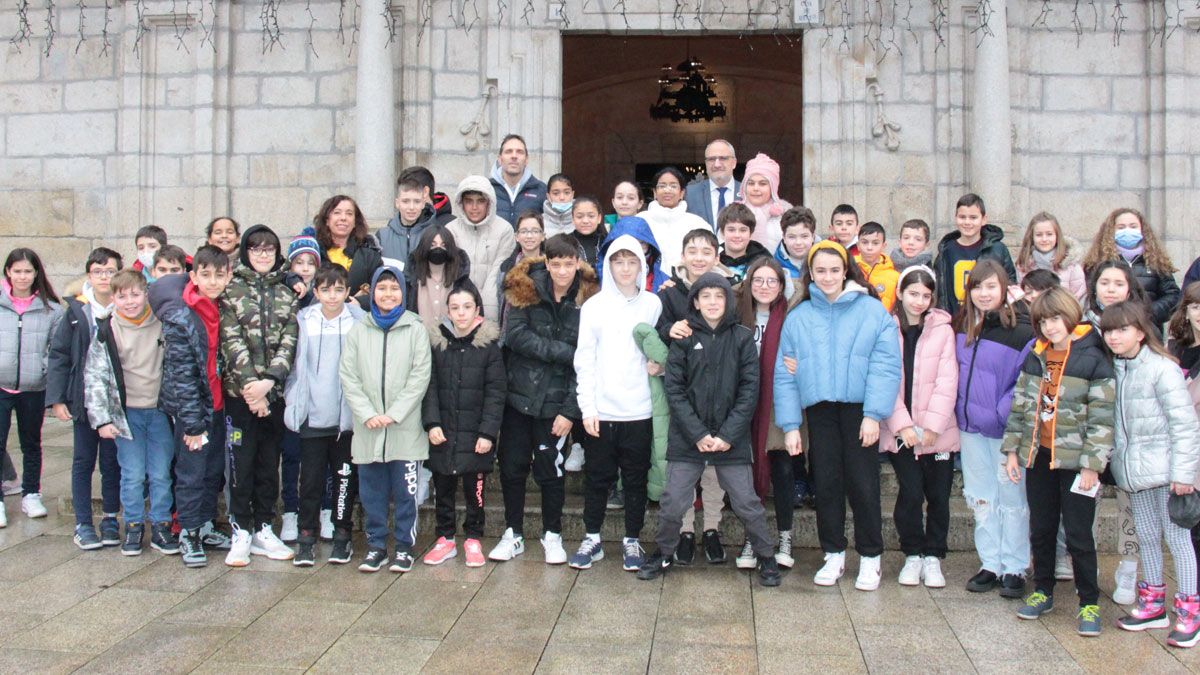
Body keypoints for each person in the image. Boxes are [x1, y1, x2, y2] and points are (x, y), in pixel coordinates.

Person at [637, 272, 781, 587]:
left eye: (719, 296)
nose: (712, 302)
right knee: (674, 499)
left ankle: (766, 556)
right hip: (689, 438)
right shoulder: (684, 338)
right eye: (706, 296)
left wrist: (727, 435)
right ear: (696, 302)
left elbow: (749, 391)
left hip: (731, 439)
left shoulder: (742, 337)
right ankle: (663, 551)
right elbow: (674, 390)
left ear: (728, 300)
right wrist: (698, 434)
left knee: (746, 501)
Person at [774, 240, 901, 591]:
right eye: (820, 270)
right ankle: (833, 553)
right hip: (820, 411)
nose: (827, 276)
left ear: (846, 270)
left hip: (860, 410)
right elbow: (785, 375)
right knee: (826, 483)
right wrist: (790, 425)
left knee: (863, 484)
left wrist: (874, 414)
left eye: (834, 269)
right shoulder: (799, 317)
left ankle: (871, 557)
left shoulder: (872, 311)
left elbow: (886, 365)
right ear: (810, 273)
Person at [1001, 287, 1113, 637]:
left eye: (1055, 319)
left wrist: (1093, 464)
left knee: (1079, 534)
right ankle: (1043, 591)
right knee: (1043, 528)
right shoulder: (1036, 355)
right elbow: (1020, 406)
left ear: (1070, 316)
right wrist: (1012, 451)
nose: (1050, 327)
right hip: (1039, 457)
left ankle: (1089, 602)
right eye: (1043, 321)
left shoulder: (1093, 358)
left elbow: (1102, 418)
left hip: (1077, 462)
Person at [489, 234, 597, 564]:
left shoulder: (589, 299)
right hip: (518, 395)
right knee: (512, 467)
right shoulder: (526, 289)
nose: (562, 270)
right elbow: (517, 337)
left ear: (578, 263)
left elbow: (588, 361)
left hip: (557, 402)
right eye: (556, 264)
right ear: (546, 263)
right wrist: (565, 352)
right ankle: (514, 532)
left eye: (569, 263)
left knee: (551, 471)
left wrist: (569, 411)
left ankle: (553, 533)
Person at [1103, 301, 1200, 648]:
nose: (1114, 336)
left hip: (1167, 472)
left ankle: (1189, 609)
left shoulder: (1162, 369)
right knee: (1144, 535)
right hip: (1134, 473)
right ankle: (1153, 604)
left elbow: (1185, 426)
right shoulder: (1115, 369)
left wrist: (1184, 472)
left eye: (1122, 330)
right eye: (1109, 330)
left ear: (1141, 333)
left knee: (1177, 540)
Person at [571, 235, 662, 572]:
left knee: (635, 479)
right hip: (602, 410)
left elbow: (658, 350)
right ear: (608, 265)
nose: (625, 268)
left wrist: (660, 365)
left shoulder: (653, 304)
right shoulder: (594, 306)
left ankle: (632, 540)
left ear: (643, 265)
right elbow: (585, 359)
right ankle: (592, 537)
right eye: (618, 261)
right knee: (597, 478)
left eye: (632, 261)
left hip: (639, 409)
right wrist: (588, 408)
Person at [341, 266, 432, 573]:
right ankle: (376, 545)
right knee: (371, 493)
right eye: (382, 288)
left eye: (394, 288)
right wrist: (368, 414)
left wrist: (394, 414)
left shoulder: (415, 328)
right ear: (373, 293)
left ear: (403, 294)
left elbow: (420, 376)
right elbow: (348, 376)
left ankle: (405, 547)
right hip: (368, 429)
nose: (388, 294)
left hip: (403, 428)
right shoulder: (359, 329)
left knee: (406, 493)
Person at [954, 258, 1035, 598]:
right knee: (981, 496)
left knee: (1011, 497)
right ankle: (990, 563)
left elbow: (1026, 381)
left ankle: (1015, 565)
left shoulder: (1022, 330)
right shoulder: (963, 326)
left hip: (1004, 431)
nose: (984, 294)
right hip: (970, 428)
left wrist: (1001, 413)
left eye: (991, 286)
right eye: (977, 287)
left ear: (1004, 289)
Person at [149, 245, 235, 567]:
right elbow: (182, 373)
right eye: (206, 275)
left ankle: (206, 524)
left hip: (217, 404)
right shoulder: (181, 313)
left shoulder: (222, 304)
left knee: (213, 471)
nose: (213, 281)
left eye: (219, 275)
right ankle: (188, 531)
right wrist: (194, 424)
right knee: (191, 472)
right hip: (193, 410)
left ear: (227, 275)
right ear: (194, 275)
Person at [219, 225, 299, 566]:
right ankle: (241, 528)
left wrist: (269, 383)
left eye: (269, 249)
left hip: (274, 395)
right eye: (256, 249)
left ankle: (264, 526)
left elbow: (290, 341)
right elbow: (231, 340)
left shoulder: (286, 292)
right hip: (240, 395)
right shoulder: (231, 289)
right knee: (242, 463)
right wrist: (253, 389)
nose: (263, 255)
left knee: (269, 464)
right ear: (246, 253)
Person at [83, 269, 177, 556]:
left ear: (145, 294)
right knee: (133, 474)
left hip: (159, 412)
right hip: (127, 415)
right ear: (113, 298)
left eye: (135, 294)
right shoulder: (106, 330)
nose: (130, 301)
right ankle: (134, 525)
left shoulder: (162, 324)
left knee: (161, 473)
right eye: (122, 296)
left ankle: (161, 524)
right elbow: (95, 377)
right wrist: (102, 419)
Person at [655, 228, 734, 564]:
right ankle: (685, 529)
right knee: (685, 462)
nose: (699, 256)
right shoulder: (669, 292)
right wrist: (667, 331)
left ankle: (712, 528)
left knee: (714, 465)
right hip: (683, 389)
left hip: (720, 390)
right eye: (693, 250)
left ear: (716, 254)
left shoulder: (729, 288)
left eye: (706, 250)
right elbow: (658, 326)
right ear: (683, 254)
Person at [878, 265, 958, 588]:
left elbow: (947, 380)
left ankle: (933, 555)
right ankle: (912, 551)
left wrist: (933, 426)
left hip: (938, 431)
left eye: (926, 295)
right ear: (899, 292)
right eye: (913, 293)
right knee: (910, 493)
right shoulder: (886, 328)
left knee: (938, 495)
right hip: (901, 432)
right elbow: (885, 380)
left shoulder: (943, 330)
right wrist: (902, 425)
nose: (919, 301)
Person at [421, 280, 506, 567]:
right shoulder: (437, 343)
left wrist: (487, 433)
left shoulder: (489, 346)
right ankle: (445, 538)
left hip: (474, 435)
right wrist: (432, 423)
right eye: (455, 307)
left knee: (475, 491)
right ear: (447, 311)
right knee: (443, 488)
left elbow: (496, 393)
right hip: (443, 430)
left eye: (467, 307)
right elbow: (429, 386)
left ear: (477, 310)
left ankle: (473, 538)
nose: (461, 313)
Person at [282, 264, 363, 566]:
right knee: (311, 481)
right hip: (312, 415)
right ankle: (306, 536)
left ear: (347, 291)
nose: (332, 295)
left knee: (344, 479)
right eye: (326, 289)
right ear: (315, 292)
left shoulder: (358, 321)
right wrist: (294, 399)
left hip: (345, 419)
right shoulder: (303, 321)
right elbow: (291, 365)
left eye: (339, 289)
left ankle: (342, 535)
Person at [1080, 257, 1147, 602]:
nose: (1110, 289)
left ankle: (1128, 568)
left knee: (1129, 508)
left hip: (1128, 430)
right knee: (1083, 504)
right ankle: (1082, 567)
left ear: (1129, 288)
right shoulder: (1082, 326)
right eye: (1104, 283)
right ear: (1095, 288)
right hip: (1089, 430)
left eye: (1118, 284)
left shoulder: (1140, 325)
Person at [48, 247, 123, 550]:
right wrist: (57, 399)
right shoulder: (78, 311)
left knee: (112, 461)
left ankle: (109, 518)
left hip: (116, 400)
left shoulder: (126, 305)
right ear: (89, 275)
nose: (105, 277)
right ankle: (82, 522)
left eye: (111, 271)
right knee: (82, 460)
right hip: (83, 399)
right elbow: (59, 355)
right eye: (98, 271)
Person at [735, 257, 799, 570]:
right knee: (747, 471)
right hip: (744, 403)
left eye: (771, 281)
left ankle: (785, 535)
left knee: (783, 469)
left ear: (781, 285)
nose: (764, 286)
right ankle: (754, 536)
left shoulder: (792, 314)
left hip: (780, 402)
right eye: (758, 280)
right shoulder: (737, 312)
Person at [0, 249, 62, 529]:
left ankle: (31, 493)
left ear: (36, 273)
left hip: (33, 386)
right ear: (8, 273)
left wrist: (43, 370)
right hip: (1, 385)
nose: (22, 277)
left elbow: (57, 348)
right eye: (17, 271)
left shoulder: (51, 309)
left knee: (31, 443)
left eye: (28, 271)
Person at [1082, 207, 1180, 327]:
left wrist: (1147, 314)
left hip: (1148, 328)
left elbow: (1173, 295)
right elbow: (1090, 295)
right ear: (1111, 231)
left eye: (1133, 226)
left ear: (1142, 230)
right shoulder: (1098, 261)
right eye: (1121, 227)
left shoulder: (1156, 260)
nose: (1127, 231)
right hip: (1107, 327)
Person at [933, 193, 1018, 316]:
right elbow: (940, 289)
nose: (967, 222)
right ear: (955, 217)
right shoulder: (946, 250)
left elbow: (1010, 284)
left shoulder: (998, 249)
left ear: (984, 219)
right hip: (956, 320)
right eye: (962, 217)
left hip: (989, 319)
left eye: (973, 217)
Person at [447, 176, 516, 320]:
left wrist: (488, 314)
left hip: (493, 304)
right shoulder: (450, 230)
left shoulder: (504, 230)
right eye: (468, 201)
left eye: (480, 201)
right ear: (461, 203)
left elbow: (498, 271)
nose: (474, 207)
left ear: (489, 203)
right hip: (458, 306)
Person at [314, 195, 384, 308]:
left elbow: (382, 289)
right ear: (327, 220)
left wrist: (361, 302)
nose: (343, 218)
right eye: (337, 212)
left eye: (349, 213)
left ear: (355, 221)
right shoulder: (314, 253)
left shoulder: (369, 255)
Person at [639, 167, 712, 272]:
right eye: (662, 186)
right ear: (654, 192)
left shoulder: (697, 223)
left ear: (682, 193)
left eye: (673, 186)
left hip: (686, 285)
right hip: (648, 284)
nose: (667, 190)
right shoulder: (641, 221)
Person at [408, 225, 472, 332]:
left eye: (443, 245)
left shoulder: (462, 281)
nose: (438, 249)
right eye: (432, 245)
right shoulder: (412, 281)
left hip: (452, 344)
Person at [378, 169, 447, 265]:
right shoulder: (382, 236)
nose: (411, 207)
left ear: (423, 203)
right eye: (406, 201)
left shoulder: (437, 235)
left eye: (417, 201)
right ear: (397, 203)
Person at [1015, 212, 1087, 303]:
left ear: (1057, 235)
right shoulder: (1024, 265)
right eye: (1039, 235)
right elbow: (1023, 295)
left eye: (1049, 234)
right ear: (1032, 236)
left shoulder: (1070, 264)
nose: (1044, 239)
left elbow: (1079, 296)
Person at [596, 216, 669, 292]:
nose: (636, 247)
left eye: (642, 242)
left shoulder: (664, 282)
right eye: (629, 241)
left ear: (650, 245)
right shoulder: (595, 279)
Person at [497, 212, 545, 327]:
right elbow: (501, 302)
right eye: (524, 231)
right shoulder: (506, 266)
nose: (529, 236)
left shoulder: (551, 267)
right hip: (510, 332)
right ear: (516, 237)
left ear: (543, 236)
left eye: (535, 231)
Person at [490, 134, 548, 226]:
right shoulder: (488, 189)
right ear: (500, 159)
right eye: (508, 151)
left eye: (519, 152)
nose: (514, 156)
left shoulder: (541, 190)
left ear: (526, 160)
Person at [685, 139, 740, 231]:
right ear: (706, 163)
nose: (717, 164)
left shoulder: (747, 191)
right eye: (711, 159)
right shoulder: (689, 194)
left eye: (723, 158)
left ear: (734, 163)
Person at [718, 203, 770, 285]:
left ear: (751, 233)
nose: (737, 235)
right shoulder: (712, 260)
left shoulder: (765, 262)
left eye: (743, 230)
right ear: (722, 232)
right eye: (731, 230)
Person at [855, 222, 900, 311]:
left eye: (875, 243)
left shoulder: (895, 277)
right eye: (864, 242)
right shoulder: (848, 269)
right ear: (858, 245)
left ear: (883, 246)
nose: (869, 247)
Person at [774, 206, 818, 297]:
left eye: (804, 236)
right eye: (792, 237)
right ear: (784, 237)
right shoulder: (774, 267)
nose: (798, 243)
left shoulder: (827, 263)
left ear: (813, 236)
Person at [570, 196, 607, 266]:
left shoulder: (607, 242)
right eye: (579, 216)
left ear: (599, 218)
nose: (585, 221)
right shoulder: (565, 243)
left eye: (591, 216)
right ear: (572, 219)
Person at [542, 173, 576, 238]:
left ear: (572, 194)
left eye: (567, 193)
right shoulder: (538, 222)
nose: (562, 197)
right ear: (548, 196)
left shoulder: (581, 221)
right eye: (556, 193)